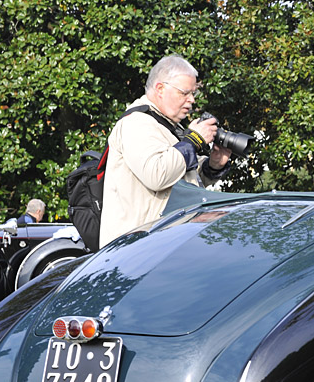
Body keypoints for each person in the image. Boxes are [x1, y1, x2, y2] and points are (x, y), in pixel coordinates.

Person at [99, 55, 231, 248]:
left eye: (193, 93)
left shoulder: (164, 125)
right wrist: (194, 140)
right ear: (160, 89)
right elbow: (157, 174)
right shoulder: (136, 122)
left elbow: (179, 178)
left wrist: (213, 165)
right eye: (185, 93)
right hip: (135, 253)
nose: (191, 100)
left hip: (159, 247)